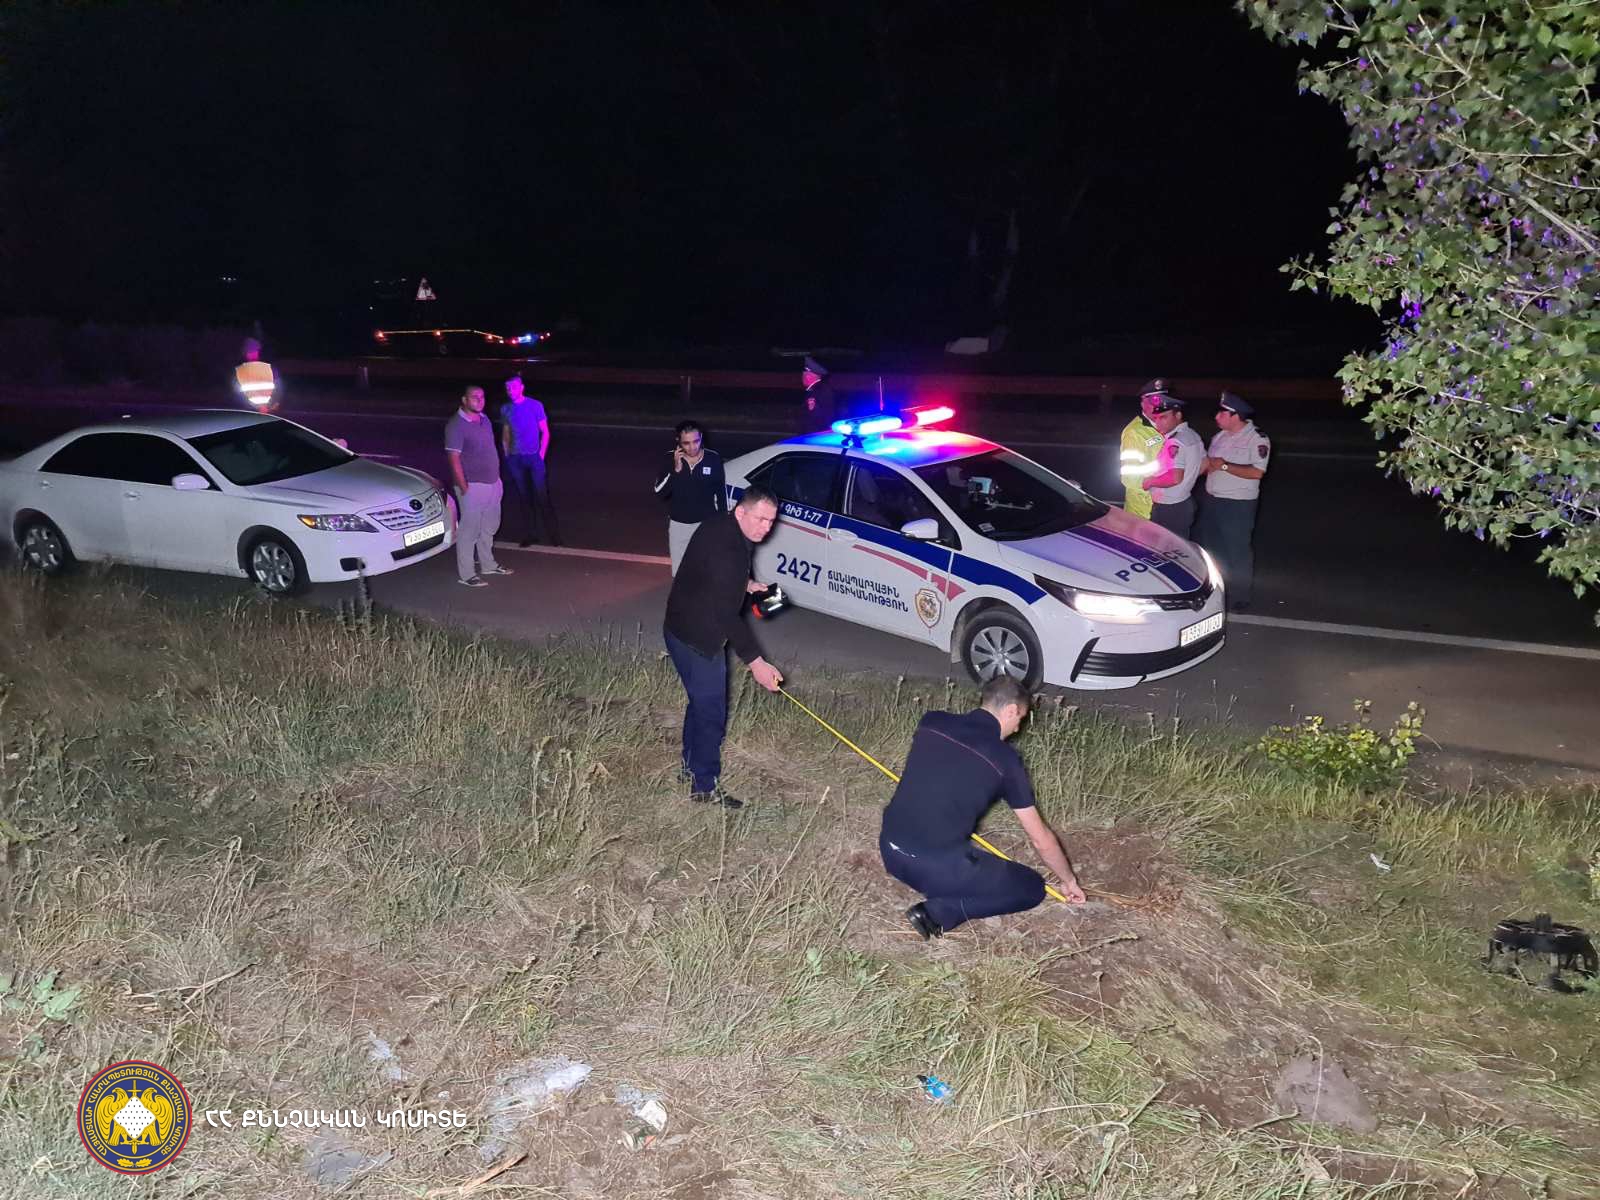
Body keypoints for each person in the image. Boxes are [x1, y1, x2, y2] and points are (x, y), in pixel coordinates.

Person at [879, 676, 1086, 940]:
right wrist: (1068, 880)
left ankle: (945, 883)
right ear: (1011, 710)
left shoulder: (932, 721)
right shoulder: (1005, 760)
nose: (1017, 728)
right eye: (1020, 719)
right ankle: (939, 913)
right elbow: (1041, 839)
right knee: (1032, 886)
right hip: (929, 868)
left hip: (890, 850)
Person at [662, 486, 786, 808]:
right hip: (699, 638)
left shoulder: (722, 525)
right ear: (741, 511)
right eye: (760, 519)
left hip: (678, 626)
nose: (766, 528)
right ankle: (704, 787)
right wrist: (757, 663)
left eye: (771, 521)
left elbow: (709, 570)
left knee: (700, 704)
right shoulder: (727, 546)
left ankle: (690, 769)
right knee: (711, 714)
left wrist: (747, 584)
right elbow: (726, 615)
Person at [1197, 391, 1270, 612]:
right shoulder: (1219, 437)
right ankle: (1217, 591)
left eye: (1222, 413)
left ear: (1235, 415)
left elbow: (1257, 472)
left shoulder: (1257, 439)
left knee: (1237, 550)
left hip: (1237, 504)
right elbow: (1210, 465)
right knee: (1212, 549)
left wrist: (1224, 465)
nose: (1216, 417)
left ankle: (1240, 596)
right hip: (1212, 500)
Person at [444, 385, 513, 587]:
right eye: (474, 397)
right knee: (469, 531)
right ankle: (467, 574)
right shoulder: (456, 425)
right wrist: (464, 488)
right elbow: (454, 459)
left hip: (493, 483)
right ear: (464, 400)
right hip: (472, 486)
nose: (479, 400)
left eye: (482, 397)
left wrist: (497, 480)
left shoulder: (485, 420)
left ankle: (488, 564)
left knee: (489, 527)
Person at [653, 420, 727, 574]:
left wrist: (722, 524)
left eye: (696, 441)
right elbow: (660, 492)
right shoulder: (669, 459)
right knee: (680, 573)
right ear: (678, 442)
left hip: (705, 525)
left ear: (701, 438)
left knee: (706, 570)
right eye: (686, 443)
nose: (692, 447)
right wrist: (676, 470)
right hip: (679, 525)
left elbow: (721, 494)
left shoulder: (713, 458)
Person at [499, 373, 560, 547]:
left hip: (534, 457)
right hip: (515, 459)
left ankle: (553, 535)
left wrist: (541, 455)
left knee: (542, 497)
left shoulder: (535, 405)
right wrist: (507, 453)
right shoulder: (505, 408)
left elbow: (545, 431)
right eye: (508, 388)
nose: (510, 391)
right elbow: (506, 432)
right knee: (524, 498)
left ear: (521, 388)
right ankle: (531, 534)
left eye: (513, 387)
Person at [1141, 393, 1206, 538]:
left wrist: (1150, 482)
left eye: (1163, 417)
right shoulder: (1192, 435)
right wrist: (1188, 480)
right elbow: (1204, 465)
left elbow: (1175, 478)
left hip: (1169, 508)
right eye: (1156, 418)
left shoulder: (1175, 441)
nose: (1158, 423)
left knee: (1163, 547)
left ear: (1178, 415)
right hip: (1183, 502)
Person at [1118, 379, 1169, 519]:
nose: (1159, 404)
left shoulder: (1169, 425)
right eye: (1154, 400)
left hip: (1165, 504)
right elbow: (1130, 477)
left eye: (1163, 398)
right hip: (1143, 509)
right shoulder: (1134, 432)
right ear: (1143, 403)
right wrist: (1158, 484)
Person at [233, 337, 280, 414]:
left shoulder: (268, 367)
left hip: (267, 410)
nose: (252, 353)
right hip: (252, 411)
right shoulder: (240, 370)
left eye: (254, 350)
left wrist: (273, 405)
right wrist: (259, 407)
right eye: (250, 351)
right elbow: (239, 394)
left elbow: (278, 387)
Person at [800, 355, 836, 434]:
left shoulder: (816, 392)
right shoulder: (817, 389)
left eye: (806, 372)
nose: (803, 376)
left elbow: (815, 418)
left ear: (810, 376)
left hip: (814, 434)